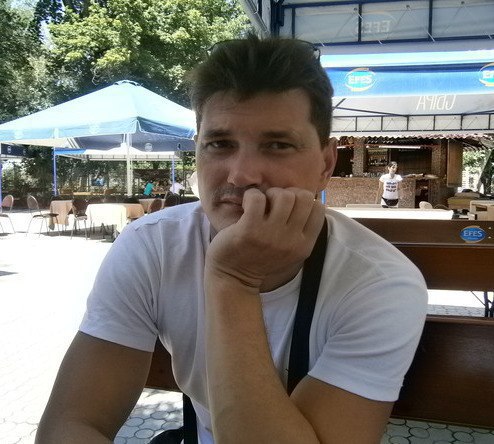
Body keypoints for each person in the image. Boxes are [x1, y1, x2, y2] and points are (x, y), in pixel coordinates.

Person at [36, 35, 427, 444]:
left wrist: (234, 280)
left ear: (326, 163)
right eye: (220, 144)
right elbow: (72, 423)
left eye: (277, 145)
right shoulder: (152, 247)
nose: (241, 175)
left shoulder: (380, 284)